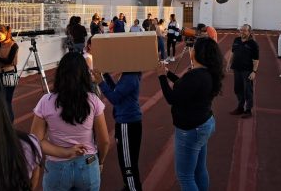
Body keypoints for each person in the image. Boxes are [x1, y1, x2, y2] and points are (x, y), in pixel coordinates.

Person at [31, 52, 109, 191]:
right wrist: (101, 161)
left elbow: (36, 141)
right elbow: (104, 141)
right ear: (84, 75)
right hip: (87, 164)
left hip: (56, 167)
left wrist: (65, 152)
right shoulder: (93, 100)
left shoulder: (46, 101)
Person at [157, 37, 224, 191]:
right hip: (204, 123)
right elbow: (185, 87)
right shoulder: (207, 73)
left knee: (185, 176)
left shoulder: (195, 76)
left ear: (197, 53)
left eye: (193, 48)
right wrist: (168, 74)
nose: (191, 50)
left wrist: (161, 76)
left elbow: (172, 98)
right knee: (199, 169)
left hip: (191, 129)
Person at [92, 70, 143, 191]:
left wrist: (101, 83)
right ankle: (129, 186)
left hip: (127, 124)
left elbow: (114, 98)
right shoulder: (128, 75)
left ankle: (132, 187)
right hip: (127, 122)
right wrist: (105, 76)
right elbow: (117, 91)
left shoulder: (129, 77)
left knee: (128, 165)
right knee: (126, 162)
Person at [227, 24, 259, 119]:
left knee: (248, 90)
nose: (242, 32)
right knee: (237, 89)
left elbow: (256, 60)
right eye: (241, 30)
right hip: (236, 69)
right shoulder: (236, 40)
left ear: (249, 32)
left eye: (244, 30)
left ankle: (248, 110)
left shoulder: (253, 44)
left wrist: (254, 72)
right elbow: (232, 53)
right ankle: (240, 107)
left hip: (247, 71)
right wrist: (229, 64)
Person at [0, 24, 19, 123]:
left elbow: (8, 60)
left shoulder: (13, 45)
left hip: (9, 74)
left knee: (7, 100)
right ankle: (1, 122)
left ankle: (9, 123)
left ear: (5, 33)